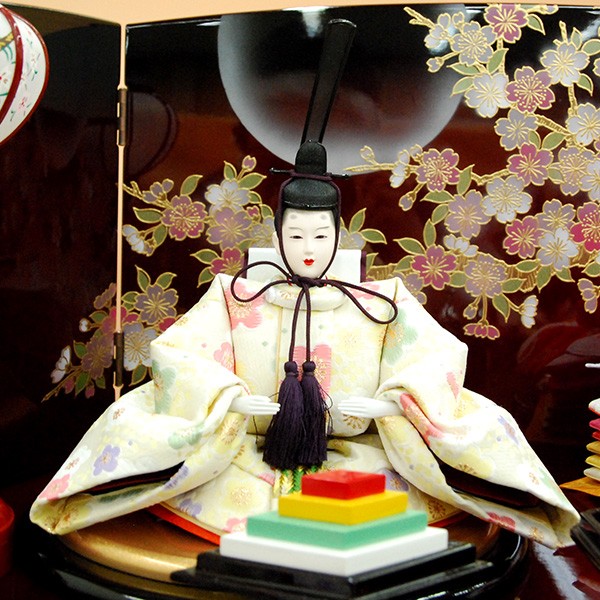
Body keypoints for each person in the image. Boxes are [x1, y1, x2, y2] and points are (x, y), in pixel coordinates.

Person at [30, 141, 579, 548]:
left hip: (364, 455)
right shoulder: (237, 294)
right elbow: (180, 354)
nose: (308, 247)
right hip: (244, 454)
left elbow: (435, 357)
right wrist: (227, 396)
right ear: (277, 234)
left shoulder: (380, 299)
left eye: (320, 235)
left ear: (339, 234)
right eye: (295, 235)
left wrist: (393, 403)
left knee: (399, 489)